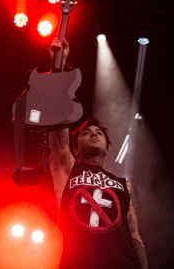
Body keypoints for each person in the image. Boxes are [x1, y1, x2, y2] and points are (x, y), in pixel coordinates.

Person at [48, 39, 148, 269]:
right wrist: (58, 65)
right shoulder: (67, 168)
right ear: (75, 147)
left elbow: (134, 237)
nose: (93, 134)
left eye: (99, 134)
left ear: (107, 146)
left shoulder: (124, 185)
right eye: (86, 133)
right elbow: (57, 119)